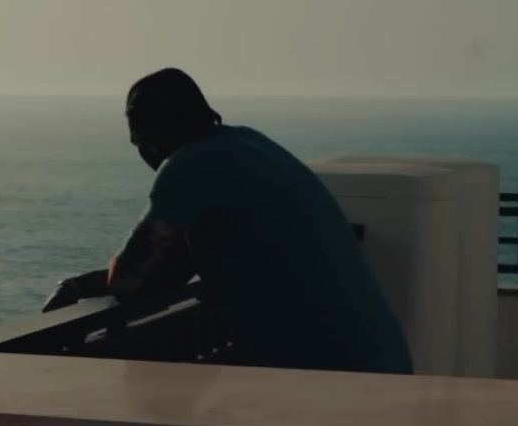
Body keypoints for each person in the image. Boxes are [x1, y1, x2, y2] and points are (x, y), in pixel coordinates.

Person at [43, 68, 413, 375]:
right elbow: (169, 269)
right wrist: (82, 285)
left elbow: (127, 280)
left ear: (151, 137)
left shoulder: (188, 165)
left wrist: (78, 286)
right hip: (378, 359)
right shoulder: (248, 144)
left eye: (137, 142)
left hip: (324, 371)